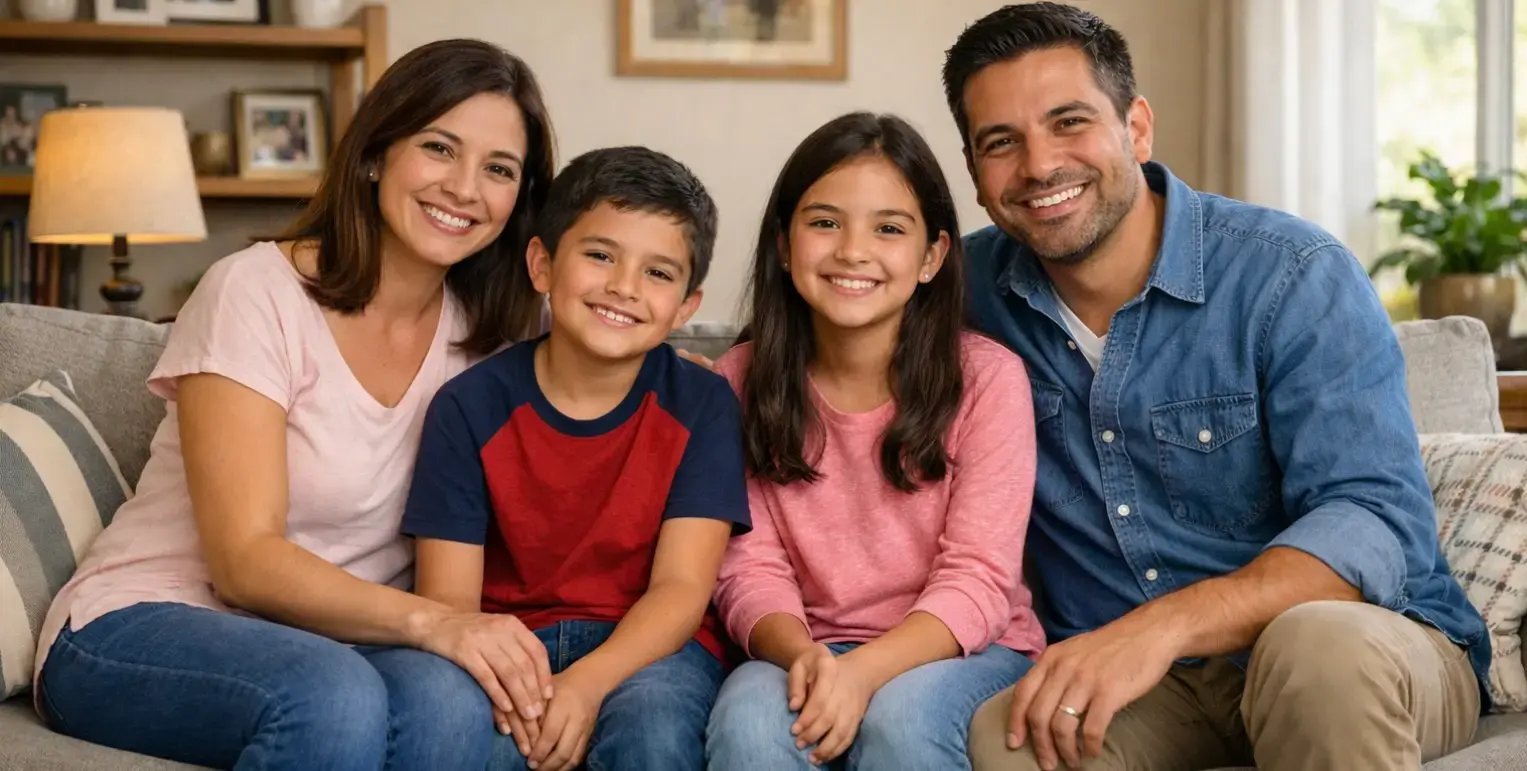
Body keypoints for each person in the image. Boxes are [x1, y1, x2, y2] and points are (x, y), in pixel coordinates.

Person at [943, 5, 1489, 771]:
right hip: (1143, 685)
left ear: (1136, 128)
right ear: (973, 172)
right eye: (1001, 143)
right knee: (1016, 732)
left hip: (1366, 643)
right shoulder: (964, 298)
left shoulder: (1291, 275)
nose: (1038, 166)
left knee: (1317, 644)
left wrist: (1160, 627)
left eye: (1069, 122)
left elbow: (1372, 519)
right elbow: (816, 342)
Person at [34, 39, 556, 771]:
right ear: (377, 152)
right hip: (141, 623)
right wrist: (439, 622)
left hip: (342, 637)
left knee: (456, 703)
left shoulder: (496, 329)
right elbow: (243, 561)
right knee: (331, 694)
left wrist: (694, 374)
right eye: (440, 148)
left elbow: (625, 339)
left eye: (499, 169)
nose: (466, 188)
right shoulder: (254, 291)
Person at [704, 111, 1046, 771]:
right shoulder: (736, 383)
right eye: (825, 222)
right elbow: (748, 569)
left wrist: (862, 674)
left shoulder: (988, 379)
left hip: (966, 647)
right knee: (749, 719)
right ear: (783, 243)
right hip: (802, 645)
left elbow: (978, 576)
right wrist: (804, 656)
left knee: (903, 720)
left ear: (931, 257)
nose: (852, 250)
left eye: (888, 228)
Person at [401, 145, 750, 771]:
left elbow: (681, 589)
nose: (623, 287)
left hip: (652, 648)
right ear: (542, 264)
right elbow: (450, 602)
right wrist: (529, 690)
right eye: (599, 255)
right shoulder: (467, 407)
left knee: (653, 733)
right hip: (508, 641)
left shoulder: (703, 404)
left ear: (686, 307)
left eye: (658, 273)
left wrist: (587, 684)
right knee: (472, 737)